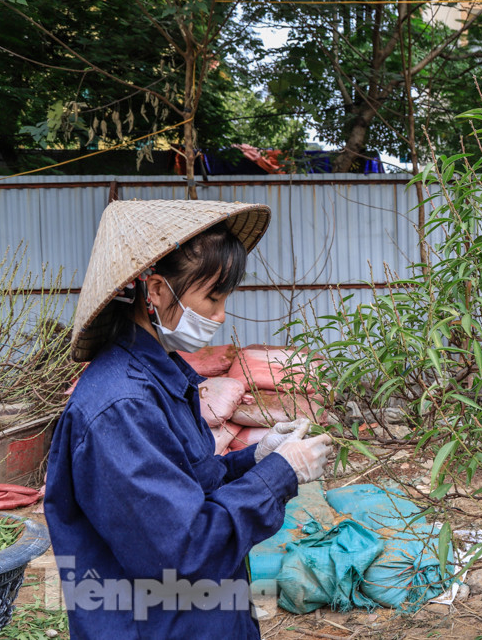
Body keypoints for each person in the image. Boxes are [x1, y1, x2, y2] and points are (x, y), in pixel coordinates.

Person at [45, 199, 332, 639]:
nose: (220, 315)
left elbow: (184, 484)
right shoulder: (121, 407)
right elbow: (184, 549)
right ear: (156, 291)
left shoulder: (157, 379)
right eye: (212, 298)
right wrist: (280, 474)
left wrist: (256, 457)